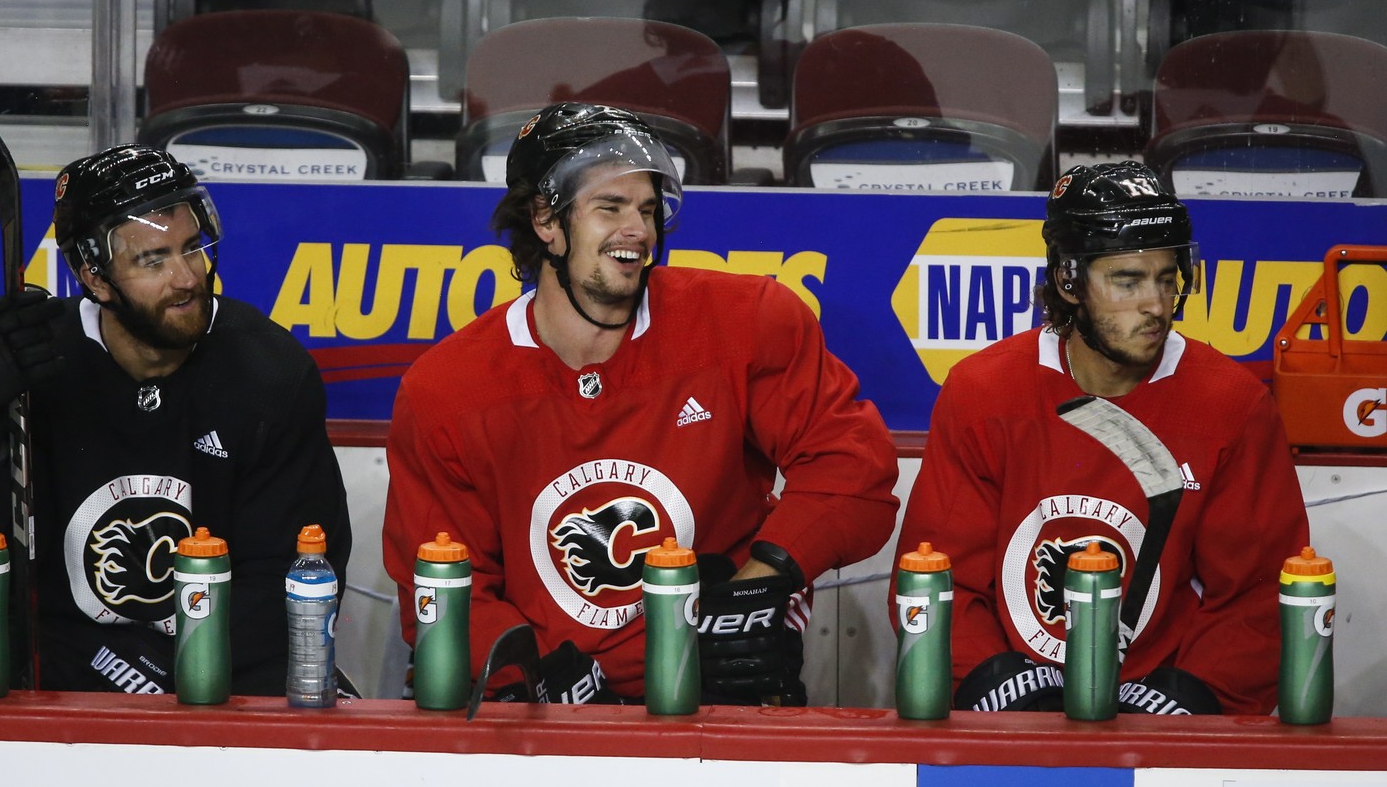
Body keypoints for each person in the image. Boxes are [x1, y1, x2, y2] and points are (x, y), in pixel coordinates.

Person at [382, 102, 901, 705]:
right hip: (549, 719)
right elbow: (443, 591)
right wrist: (536, 678)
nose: (639, 231)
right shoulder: (446, 388)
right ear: (546, 220)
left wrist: (757, 585)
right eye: (610, 207)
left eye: (648, 210)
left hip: (722, 698)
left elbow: (855, 471)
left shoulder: (746, 322)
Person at [0, 144, 352, 695]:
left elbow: (289, 583)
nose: (187, 276)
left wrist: (162, 684)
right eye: (153, 260)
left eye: (191, 248)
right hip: (61, 667)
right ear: (93, 277)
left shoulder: (269, 373)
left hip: (228, 679)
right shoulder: (27, 365)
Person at [891, 160, 1308, 716]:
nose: (1156, 305)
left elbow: (1256, 600)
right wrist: (996, 689)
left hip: (1163, 714)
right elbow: (940, 581)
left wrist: (1186, 701)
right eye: (1127, 280)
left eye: (1166, 278)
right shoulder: (984, 394)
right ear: (1069, 281)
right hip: (1011, 723)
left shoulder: (1231, 406)